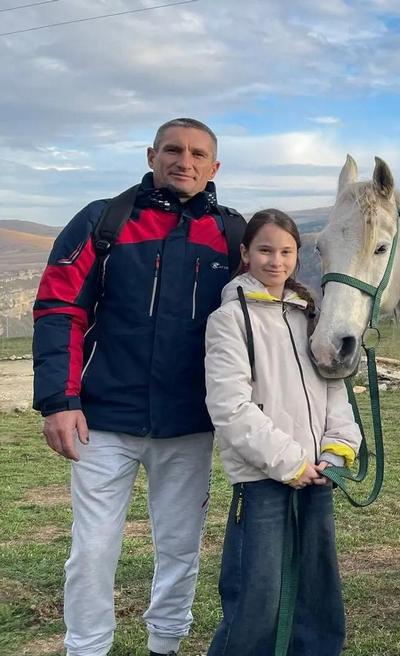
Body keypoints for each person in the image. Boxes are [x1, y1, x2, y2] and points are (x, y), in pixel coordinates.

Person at [32, 118, 246, 656]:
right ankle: (86, 647)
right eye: (173, 150)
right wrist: (59, 401)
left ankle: (165, 645)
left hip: (189, 422)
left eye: (198, 154)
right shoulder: (104, 220)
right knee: (92, 550)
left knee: (180, 548)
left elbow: (260, 316)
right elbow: (60, 308)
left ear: (215, 167)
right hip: (103, 420)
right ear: (152, 156)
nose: (184, 161)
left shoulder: (231, 234)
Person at [204, 209, 362, 655]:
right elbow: (230, 407)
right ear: (245, 253)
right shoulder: (230, 320)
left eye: (286, 252)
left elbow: (334, 389)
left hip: (317, 474)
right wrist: (290, 462)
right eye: (265, 250)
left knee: (317, 589)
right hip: (263, 478)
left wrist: (337, 450)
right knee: (258, 596)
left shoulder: (308, 314)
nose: (276, 261)